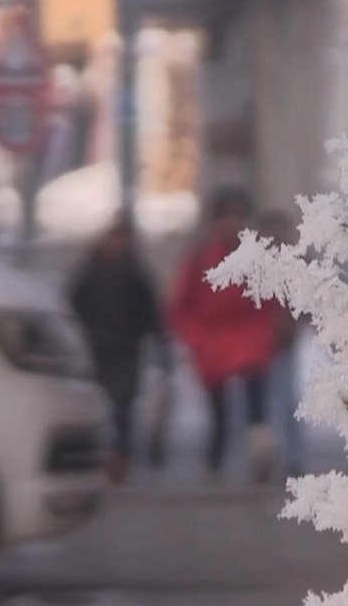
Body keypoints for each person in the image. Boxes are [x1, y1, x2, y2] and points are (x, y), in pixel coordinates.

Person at [168, 186, 282, 482]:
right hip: (211, 341)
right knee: (217, 409)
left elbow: (268, 299)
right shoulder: (200, 257)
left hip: (249, 337)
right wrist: (194, 338)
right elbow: (182, 304)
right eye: (226, 216)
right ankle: (215, 461)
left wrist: (267, 330)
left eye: (238, 216)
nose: (232, 223)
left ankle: (258, 449)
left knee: (255, 399)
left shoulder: (256, 257)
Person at [68, 214, 167, 483]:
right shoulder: (89, 271)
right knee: (98, 404)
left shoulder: (136, 273)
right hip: (96, 348)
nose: (117, 245)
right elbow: (73, 306)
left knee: (123, 405)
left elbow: (150, 311)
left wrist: (160, 340)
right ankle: (99, 455)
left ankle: (120, 456)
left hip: (126, 348)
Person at [255, 209, 307, 477]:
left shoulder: (292, 263)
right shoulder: (253, 265)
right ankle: (268, 455)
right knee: (266, 403)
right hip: (255, 344)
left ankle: (290, 455)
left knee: (285, 402)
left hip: (282, 344)